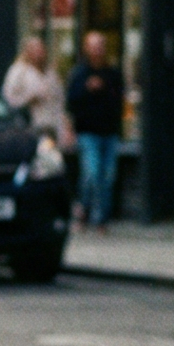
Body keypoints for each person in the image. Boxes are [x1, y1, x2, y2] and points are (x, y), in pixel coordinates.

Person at [66, 31, 125, 230]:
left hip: (109, 132)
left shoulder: (113, 74)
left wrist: (104, 89)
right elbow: (71, 102)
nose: (98, 49)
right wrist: (87, 89)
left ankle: (100, 218)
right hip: (87, 132)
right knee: (92, 172)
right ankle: (85, 209)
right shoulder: (79, 74)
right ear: (86, 48)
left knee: (107, 176)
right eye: (93, 45)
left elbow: (119, 101)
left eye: (100, 45)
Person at [1, 35, 68, 145]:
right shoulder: (19, 71)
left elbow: (60, 99)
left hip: (53, 125)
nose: (39, 53)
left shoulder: (51, 73)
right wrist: (27, 100)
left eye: (41, 49)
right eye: (35, 49)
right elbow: (8, 97)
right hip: (31, 125)